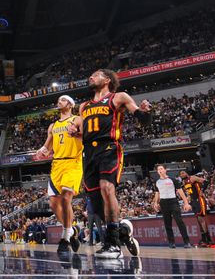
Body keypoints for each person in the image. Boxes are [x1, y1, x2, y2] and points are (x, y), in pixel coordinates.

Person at [68, 69, 149, 258]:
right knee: (96, 206)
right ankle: (122, 231)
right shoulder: (84, 106)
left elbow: (142, 119)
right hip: (89, 153)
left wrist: (146, 113)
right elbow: (82, 131)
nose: (90, 76)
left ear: (107, 79)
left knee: (107, 188)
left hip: (109, 148)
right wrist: (74, 131)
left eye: (95, 74)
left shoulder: (118, 97)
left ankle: (113, 245)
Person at [36, 95, 83, 254]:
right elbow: (47, 147)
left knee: (65, 197)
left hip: (73, 163)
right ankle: (72, 230)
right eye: (59, 101)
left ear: (70, 104)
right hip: (56, 165)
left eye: (62, 100)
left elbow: (87, 137)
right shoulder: (53, 125)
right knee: (53, 204)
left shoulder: (77, 120)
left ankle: (65, 236)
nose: (59, 102)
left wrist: (76, 133)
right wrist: (41, 151)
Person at [151, 165, 192, 248]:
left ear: (165, 170)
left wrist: (186, 203)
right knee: (167, 223)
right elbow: (157, 193)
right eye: (158, 169)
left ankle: (187, 242)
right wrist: (155, 202)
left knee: (179, 221)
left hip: (173, 201)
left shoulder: (173, 180)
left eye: (161, 168)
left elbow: (181, 192)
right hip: (163, 203)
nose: (160, 170)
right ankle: (171, 242)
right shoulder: (157, 182)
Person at [179, 171, 212, 246]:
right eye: (180, 174)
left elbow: (206, 182)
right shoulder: (184, 182)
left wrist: (202, 191)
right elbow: (189, 192)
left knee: (201, 218)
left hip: (199, 199)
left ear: (186, 173)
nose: (182, 174)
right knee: (198, 220)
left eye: (183, 173)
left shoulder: (193, 178)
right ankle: (204, 239)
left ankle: (208, 239)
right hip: (193, 201)